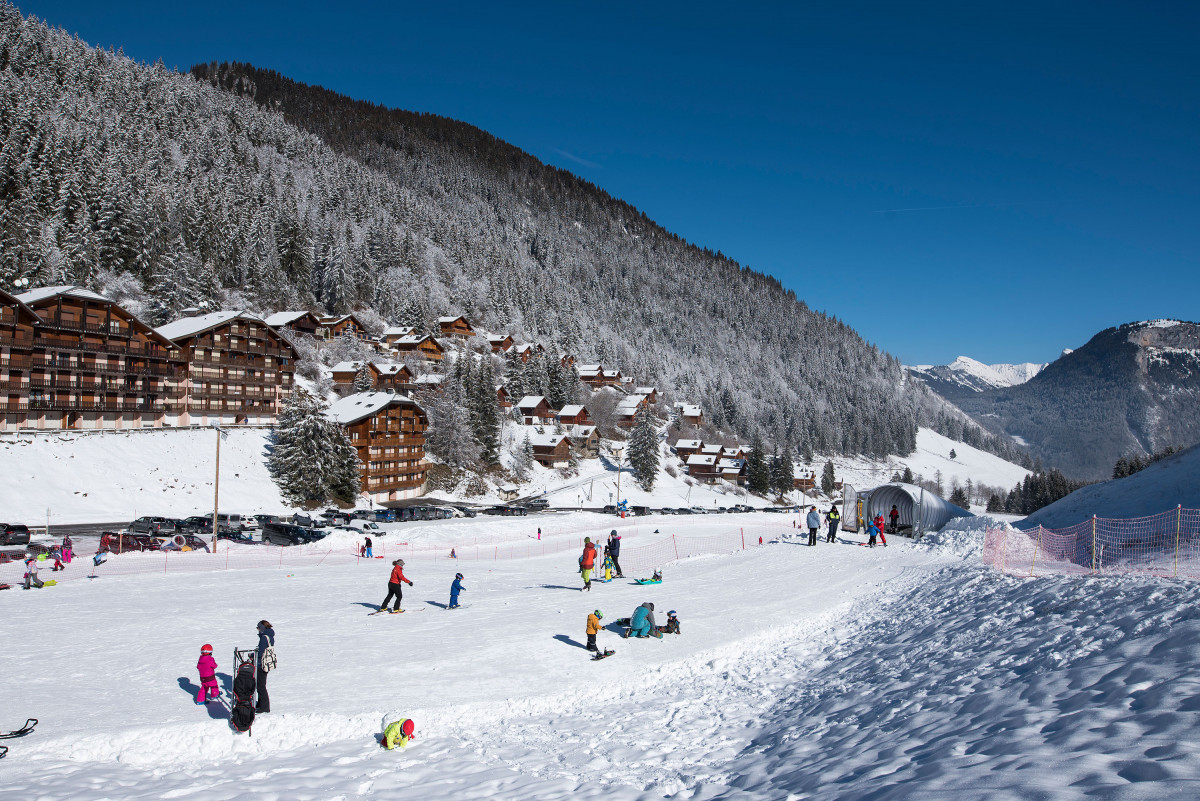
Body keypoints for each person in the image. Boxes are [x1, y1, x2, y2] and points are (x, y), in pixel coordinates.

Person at [255, 620, 275, 714]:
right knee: (261, 684)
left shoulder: (264, 638)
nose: (257, 630)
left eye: (258, 628)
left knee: (260, 686)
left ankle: (264, 707)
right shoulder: (270, 636)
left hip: (261, 664)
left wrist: (252, 655)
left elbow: (261, 652)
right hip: (267, 664)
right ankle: (260, 704)